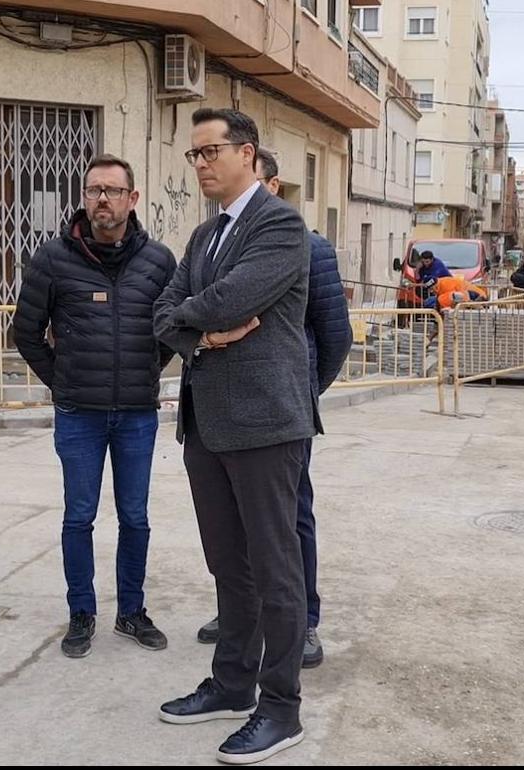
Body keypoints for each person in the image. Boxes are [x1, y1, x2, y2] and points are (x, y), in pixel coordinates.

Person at [154, 108, 314, 764]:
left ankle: (281, 707)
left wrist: (197, 323)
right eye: (193, 155)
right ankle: (232, 683)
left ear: (247, 153)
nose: (200, 164)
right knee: (229, 564)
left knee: (276, 568)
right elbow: (161, 316)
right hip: (208, 425)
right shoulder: (203, 236)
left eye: (210, 151)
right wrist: (202, 335)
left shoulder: (279, 226)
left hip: (266, 425)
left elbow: (226, 300)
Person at [14, 154, 177, 658]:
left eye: (112, 190)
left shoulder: (159, 262)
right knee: (78, 517)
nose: (101, 199)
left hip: (136, 415)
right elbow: (26, 332)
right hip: (78, 415)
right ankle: (81, 613)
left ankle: (131, 611)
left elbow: (169, 330)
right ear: (83, 198)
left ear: (132, 199)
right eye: (92, 190)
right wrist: (63, 383)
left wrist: (147, 370)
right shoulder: (52, 259)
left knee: (135, 517)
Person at [195, 148, 352, 670]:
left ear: (272, 186)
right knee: (233, 524)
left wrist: (301, 392)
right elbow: (177, 312)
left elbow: (333, 336)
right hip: (225, 409)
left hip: (282, 412)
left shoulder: (309, 248)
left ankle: (303, 621)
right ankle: (242, 611)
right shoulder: (212, 246)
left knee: (289, 520)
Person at [422, 274, 488, 310]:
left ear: (435, 286)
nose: (431, 291)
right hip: (472, 295)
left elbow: (462, 296)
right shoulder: (441, 285)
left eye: (431, 289)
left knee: (439, 300)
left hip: (476, 296)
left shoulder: (446, 285)